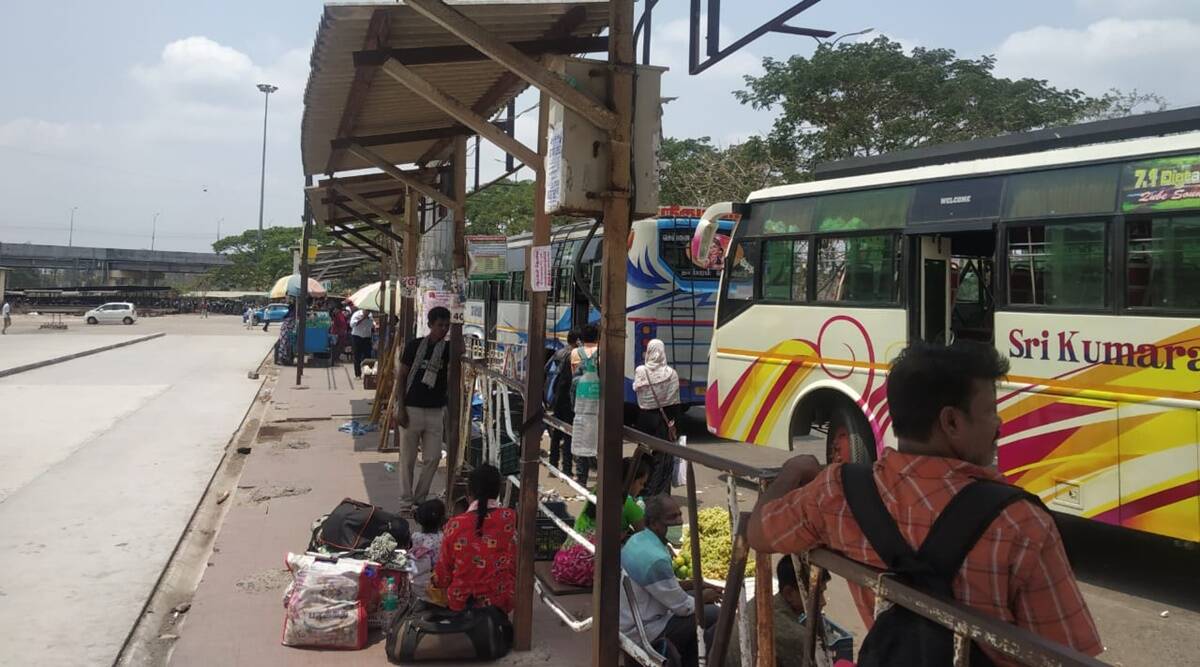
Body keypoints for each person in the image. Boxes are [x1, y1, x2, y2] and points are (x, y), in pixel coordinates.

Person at [746, 341, 1102, 666]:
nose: (999, 425)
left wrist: (792, 472)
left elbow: (758, 533)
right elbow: (1069, 656)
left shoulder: (838, 492)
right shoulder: (1020, 524)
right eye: (991, 411)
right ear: (950, 421)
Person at [620, 495, 720, 667]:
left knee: (698, 597)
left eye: (679, 515)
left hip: (634, 614)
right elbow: (683, 607)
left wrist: (694, 584)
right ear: (653, 523)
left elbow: (663, 586)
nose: (679, 521)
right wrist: (705, 596)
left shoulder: (639, 540)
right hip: (642, 630)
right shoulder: (655, 559)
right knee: (715, 614)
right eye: (671, 517)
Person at [431, 465, 517, 613]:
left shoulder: (454, 524)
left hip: (461, 602)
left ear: (468, 493)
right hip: (501, 600)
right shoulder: (509, 518)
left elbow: (443, 575)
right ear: (498, 492)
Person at [396, 307, 452, 510]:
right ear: (430, 325)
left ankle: (420, 498)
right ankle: (405, 500)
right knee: (408, 459)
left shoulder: (448, 350)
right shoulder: (414, 346)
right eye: (440, 325)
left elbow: (461, 351)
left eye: (447, 326)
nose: (443, 329)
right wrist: (400, 408)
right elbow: (401, 377)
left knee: (433, 457)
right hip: (412, 409)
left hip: (435, 411)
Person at [725, 556, 814, 666]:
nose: (823, 602)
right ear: (789, 593)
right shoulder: (795, 635)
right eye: (818, 594)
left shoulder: (759, 602)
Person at [633, 339, 681, 497]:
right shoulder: (671, 374)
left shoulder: (641, 371)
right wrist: (672, 422)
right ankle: (657, 491)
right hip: (663, 420)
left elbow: (637, 394)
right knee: (662, 456)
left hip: (644, 418)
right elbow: (674, 402)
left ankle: (641, 486)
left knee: (643, 453)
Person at [575, 455, 648, 537]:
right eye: (641, 483)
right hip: (595, 547)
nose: (642, 487)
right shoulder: (628, 504)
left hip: (573, 545)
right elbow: (645, 536)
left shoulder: (599, 488)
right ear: (631, 480)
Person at [545, 328, 581, 472]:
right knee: (568, 433)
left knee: (557, 432)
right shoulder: (574, 355)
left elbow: (546, 369)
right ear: (577, 341)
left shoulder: (558, 352)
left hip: (557, 397)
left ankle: (553, 463)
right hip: (568, 399)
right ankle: (566, 468)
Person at [570, 323, 600, 486]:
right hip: (596, 401)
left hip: (581, 401)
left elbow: (572, 375)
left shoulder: (575, 353)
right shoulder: (601, 353)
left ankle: (582, 478)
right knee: (598, 439)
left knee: (582, 439)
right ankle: (601, 473)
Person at [410, 498, 446, 603]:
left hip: (417, 581)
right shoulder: (444, 538)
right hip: (435, 583)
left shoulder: (415, 537)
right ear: (442, 519)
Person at [349, 306, 374, 378]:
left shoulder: (370, 315)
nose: (368, 312)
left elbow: (371, 325)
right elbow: (352, 325)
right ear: (363, 310)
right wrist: (362, 319)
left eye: (369, 311)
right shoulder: (356, 314)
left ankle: (367, 373)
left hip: (366, 337)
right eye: (366, 311)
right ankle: (358, 374)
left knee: (368, 356)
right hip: (357, 337)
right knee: (357, 356)